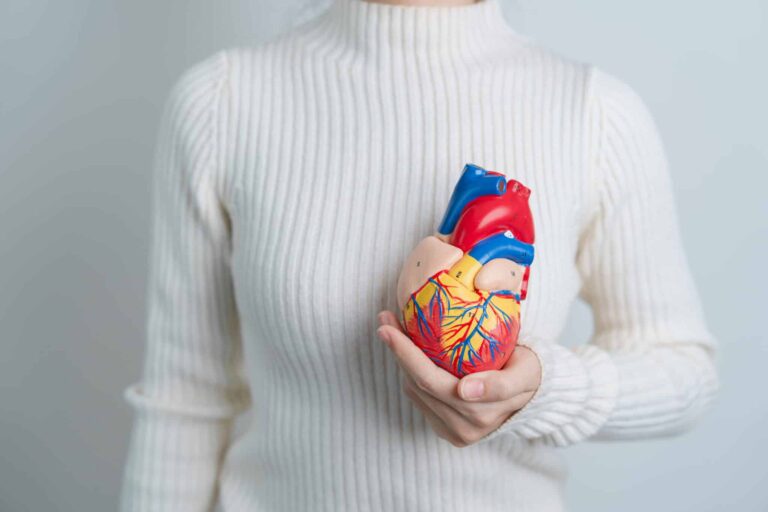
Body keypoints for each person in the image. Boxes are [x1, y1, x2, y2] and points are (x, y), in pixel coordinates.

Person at [119, 0, 719, 510]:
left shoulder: (594, 112)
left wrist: (543, 392)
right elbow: (185, 399)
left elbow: (683, 371)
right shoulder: (221, 104)